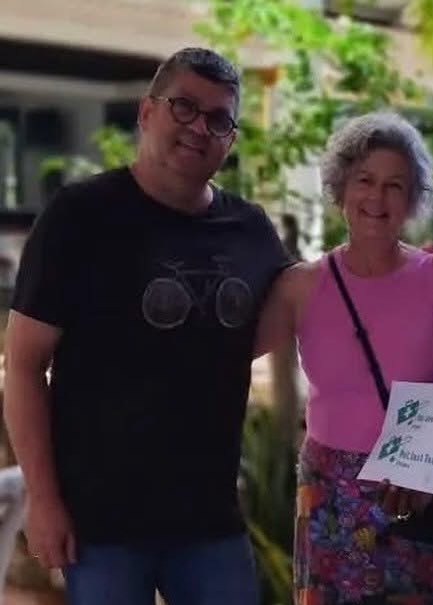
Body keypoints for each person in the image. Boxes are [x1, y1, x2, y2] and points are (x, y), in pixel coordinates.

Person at [3, 47, 289, 604]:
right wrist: (43, 499)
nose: (199, 127)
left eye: (218, 119)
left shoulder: (250, 230)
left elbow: (299, 308)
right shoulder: (78, 216)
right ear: (146, 112)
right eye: (184, 106)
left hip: (210, 519)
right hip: (100, 522)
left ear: (230, 139)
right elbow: (25, 365)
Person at [255, 112, 433, 605]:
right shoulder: (301, 286)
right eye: (365, 180)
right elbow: (223, 355)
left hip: (415, 488)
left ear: (412, 198)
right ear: (341, 187)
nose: (377, 197)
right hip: (331, 490)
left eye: (395, 185)